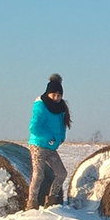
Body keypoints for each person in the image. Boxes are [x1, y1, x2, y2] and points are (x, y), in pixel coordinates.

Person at [26, 73, 71, 210]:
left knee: (62, 173)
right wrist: (49, 138)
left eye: (59, 95)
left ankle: (51, 200)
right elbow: (34, 127)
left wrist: (61, 137)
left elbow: (62, 126)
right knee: (39, 175)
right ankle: (31, 203)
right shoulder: (40, 107)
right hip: (38, 146)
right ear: (48, 93)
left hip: (51, 147)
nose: (56, 98)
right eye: (54, 95)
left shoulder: (61, 108)